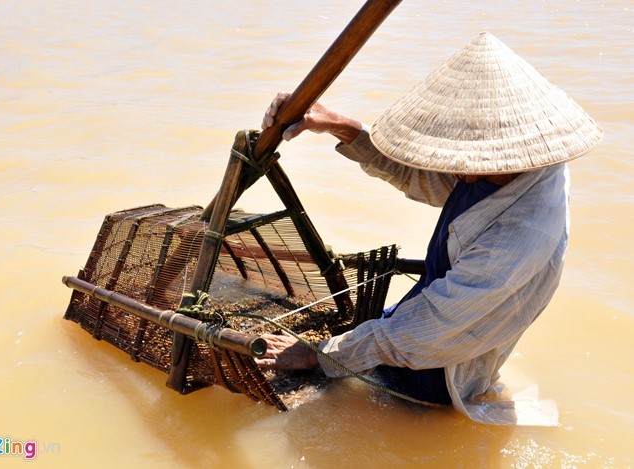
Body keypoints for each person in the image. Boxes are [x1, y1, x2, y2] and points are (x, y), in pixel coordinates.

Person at [254, 32, 602, 425]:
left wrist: (320, 354)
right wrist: (341, 126)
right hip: (426, 318)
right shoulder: (519, 157)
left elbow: (430, 328)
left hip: (433, 368)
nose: (458, 174)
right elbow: (426, 178)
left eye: (468, 164)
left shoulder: (516, 238)